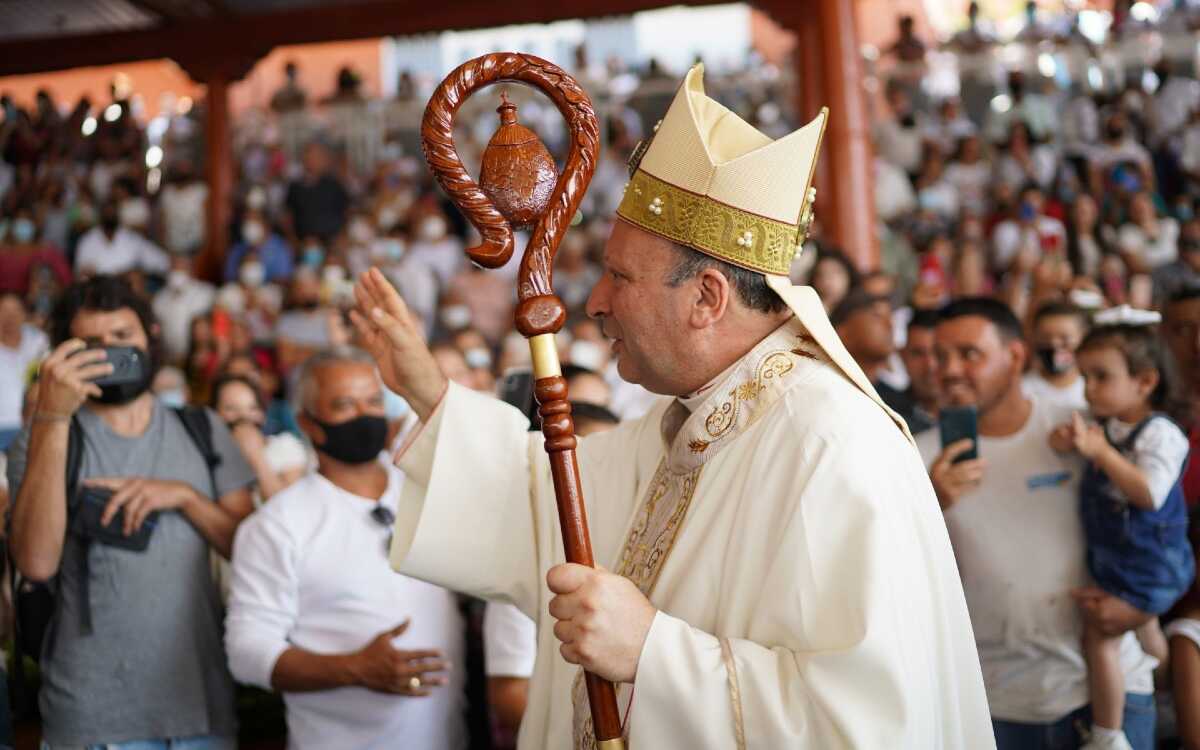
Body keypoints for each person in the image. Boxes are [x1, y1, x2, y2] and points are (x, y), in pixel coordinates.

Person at [353, 64, 991, 748]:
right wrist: (429, 393)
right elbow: (541, 507)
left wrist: (652, 651)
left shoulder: (829, 444)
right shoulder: (689, 420)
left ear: (707, 298)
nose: (593, 302)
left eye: (620, 276)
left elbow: (871, 724)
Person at [6, 275, 255, 749]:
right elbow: (36, 563)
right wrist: (53, 415)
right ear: (64, 354)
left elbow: (251, 551)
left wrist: (185, 497)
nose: (110, 352)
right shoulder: (42, 441)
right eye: (90, 343)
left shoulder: (203, 428)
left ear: (151, 337)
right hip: (92, 714)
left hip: (200, 706)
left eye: (123, 337)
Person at [918, 298, 1158, 750]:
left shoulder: (1077, 433)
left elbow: (1154, 522)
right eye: (941, 355)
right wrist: (930, 505)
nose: (949, 370)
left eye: (970, 354)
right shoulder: (916, 453)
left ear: (1015, 357)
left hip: (1109, 690)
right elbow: (893, 578)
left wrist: (1147, 605)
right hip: (992, 701)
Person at [224, 348, 465, 750]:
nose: (365, 415)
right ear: (308, 424)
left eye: (373, 401)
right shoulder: (278, 526)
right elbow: (247, 653)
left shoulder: (426, 491)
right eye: (344, 405)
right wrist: (353, 669)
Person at [1049, 318, 1193, 750]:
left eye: (1102, 377)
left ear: (1145, 381)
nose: (1089, 389)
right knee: (1143, 631)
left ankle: (1109, 735)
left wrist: (1101, 453)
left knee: (1098, 636)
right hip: (1119, 558)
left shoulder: (1163, 435)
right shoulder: (1108, 426)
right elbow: (1073, 450)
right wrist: (1066, 442)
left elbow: (1148, 493)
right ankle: (1162, 689)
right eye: (1084, 376)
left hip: (1152, 563)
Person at [210, 374, 307, 502]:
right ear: (213, 414)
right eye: (231, 408)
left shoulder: (285, 445)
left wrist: (256, 455)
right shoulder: (211, 454)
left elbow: (287, 508)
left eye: (252, 408)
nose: (243, 416)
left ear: (262, 414)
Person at [0, 292, 48, 450]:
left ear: (25, 314)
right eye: (3, 311)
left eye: (15, 311)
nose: (10, 318)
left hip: (34, 425)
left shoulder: (39, 341)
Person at [74, 199, 170, 277]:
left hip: (126, 293)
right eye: (106, 212)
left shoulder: (131, 239)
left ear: (118, 215)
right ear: (100, 215)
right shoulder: (87, 241)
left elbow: (159, 261)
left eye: (112, 212)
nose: (109, 214)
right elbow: (81, 272)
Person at [1023, 301, 1090, 412]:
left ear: (1083, 339)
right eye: (1045, 337)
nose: (1054, 344)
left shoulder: (1092, 390)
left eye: (1065, 338)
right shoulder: (1022, 390)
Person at [891, 308, 941, 435]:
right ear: (902, 356)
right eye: (918, 354)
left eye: (939, 352)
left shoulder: (983, 415)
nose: (930, 365)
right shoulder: (884, 416)